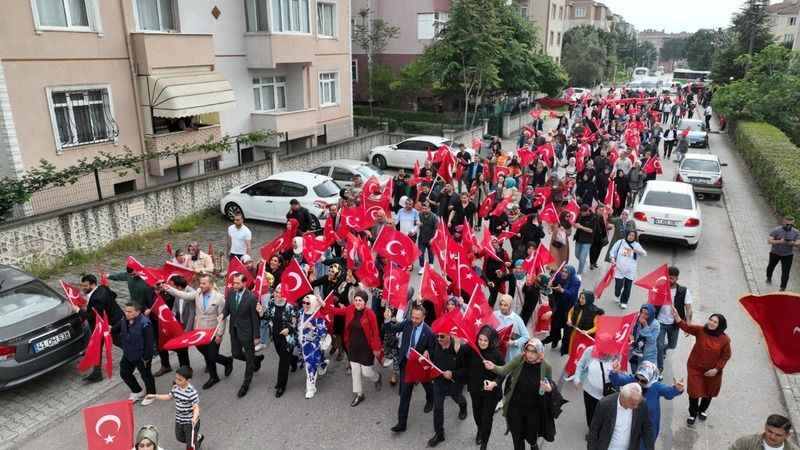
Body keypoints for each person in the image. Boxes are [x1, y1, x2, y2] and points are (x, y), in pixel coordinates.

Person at [484, 338, 562, 450]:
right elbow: (504, 370)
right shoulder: (520, 359)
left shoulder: (546, 367)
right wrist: (493, 367)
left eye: (534, 352)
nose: (529, 354)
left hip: (533, 410)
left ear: (539, 352)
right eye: (528, 350)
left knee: (531, 437)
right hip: (515, 408)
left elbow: (550, 385)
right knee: (517, 438)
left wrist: (549, 389)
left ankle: (533, 444)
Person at [672, 307, 731, 426]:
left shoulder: (725, 340)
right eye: (711, 320)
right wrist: (677, 316)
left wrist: (716, 369)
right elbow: (686, 327)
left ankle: (702, 410)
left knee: (708, 392)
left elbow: (725, 356)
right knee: (694, 392)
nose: (712, 323)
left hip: (712, 371)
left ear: (720, 325)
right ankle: (692, 413)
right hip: (695, 368)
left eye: (715, 322)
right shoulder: (700, 330)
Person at [383, 304, 435, 432]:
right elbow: (391, 329)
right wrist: (388, 319)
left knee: (426, 384)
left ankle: (430, 398)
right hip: (406, 364)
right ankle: (402, 423)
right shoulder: (407, 323)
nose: (414, 320)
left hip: (420, 365)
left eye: (417, 318)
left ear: (423, 317)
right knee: (405, 394)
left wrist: (427, 353)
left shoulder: (428, 332)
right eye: (412, 317)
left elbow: (433, 351)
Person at [609, 361, 683, 446]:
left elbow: (669, 392)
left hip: (648, 426)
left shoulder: (656, 387)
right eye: (637, 378)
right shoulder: (633, 380)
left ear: (651, 380)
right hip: (631, 424)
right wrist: (614, 372)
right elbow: (617, 380)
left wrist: (677, 389)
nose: (639, 382)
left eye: (643, 380)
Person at [332, 289, 383, 407]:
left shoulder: (370, 313)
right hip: (353, 347)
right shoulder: (350, 309)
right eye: (356, 300)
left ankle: (377, 377)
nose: (357, 302)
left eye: (360, 300)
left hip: (366, 348)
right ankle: (359, 394)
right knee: (355, 371)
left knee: (366, 372)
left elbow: (375, 332)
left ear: (365, 302)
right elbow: (337, 311)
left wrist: (376, 348)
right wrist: (323, 305)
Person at [457, 326, 505, 450]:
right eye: (480, 339)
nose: (482, 343)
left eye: (485, 340)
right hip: (475, 389)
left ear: (490, 341)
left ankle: (484, 443)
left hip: (491, 393)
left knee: (487, 418)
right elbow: (459, 354)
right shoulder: (472, 349)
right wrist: (461, 341)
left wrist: (495, 383)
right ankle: (480, 429)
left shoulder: (497, 354)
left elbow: (503, 372)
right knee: (477, 414)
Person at [220, 273, 264, 398]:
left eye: (237, 283)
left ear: (244, 283)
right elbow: (227, 309)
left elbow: (255, 319)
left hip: (247, 332)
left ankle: (246, 383)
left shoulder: (251, 298)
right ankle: (256, 360)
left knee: (248, 359)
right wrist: (222, 315)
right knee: (236, 354)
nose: (234, 285)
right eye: (233, 283)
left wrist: (256, 336)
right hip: (234, 330)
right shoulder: (231, 294)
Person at [144, 366, 204, 450]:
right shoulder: (176, 388)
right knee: (179, 437)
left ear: (188, 380)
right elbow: (168, 396)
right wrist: (154, 396)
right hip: (179, 419)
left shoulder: (192, 393)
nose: (177, 381)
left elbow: (196, 407)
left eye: (180, 380)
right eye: (176, 378)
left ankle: (194, 442)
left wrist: (194, 417)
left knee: (190, 446)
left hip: (190, 422)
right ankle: (196, 438)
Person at [78, 273, 123, 383]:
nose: (83, 288)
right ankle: (97, 373)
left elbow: (91, 316)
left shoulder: (96, 299)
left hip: (109, 325)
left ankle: (137, 355)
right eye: (82, 285)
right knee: (96, 347)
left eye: (85, 286)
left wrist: (78, 310)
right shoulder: (103, 288)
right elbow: (114, 295)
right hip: (108, 322)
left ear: (93, 285)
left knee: (119, 342)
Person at [426, 332, 468, 447]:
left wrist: (452, 373)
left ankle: (463, 407)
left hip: (454, 383)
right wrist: (427, 357)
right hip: (439, 382)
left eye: (442, 336)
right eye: (437, 336)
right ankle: (439, 434)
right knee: (438, 408)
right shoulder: (436, 343)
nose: (438, 339)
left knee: (457, 398)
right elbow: (432, 357)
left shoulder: (459, 349)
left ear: (449, 336)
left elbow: (465, 370)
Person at [257, 284, 297, 398]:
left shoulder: (290, 305)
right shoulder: (271, 302)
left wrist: (288, 329)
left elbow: (295, 321)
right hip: (276, 336)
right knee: (284, 357)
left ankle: (281, 386)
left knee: (283, 362)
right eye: (275, 291)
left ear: (285, 293)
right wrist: (261, 312)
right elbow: (268, 316)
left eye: (279, 292)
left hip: (287, 338)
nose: (276, 294)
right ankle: (294, 360)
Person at [587, 382, 655, 450]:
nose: (636, 406)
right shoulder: (605, 405)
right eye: (632, 404)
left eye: (637, 403)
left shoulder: (641, 403)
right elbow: (594, 430)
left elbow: (647, 428)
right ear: (623, 398)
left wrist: (650, 448)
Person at [570, 338, 618, 430]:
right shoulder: (590, 351)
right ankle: (591, 430)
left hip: (606, 392)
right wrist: (577, 378)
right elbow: (581, 364)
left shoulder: (615, 354)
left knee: (603, 414)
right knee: (590, 412)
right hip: (589, 390)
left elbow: (619, 373)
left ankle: (600, 429)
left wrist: (617, 371)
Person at [195, 275, 233, 390]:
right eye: (200, 283)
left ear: (211, 284)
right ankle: (226, 361)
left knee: (211, 355)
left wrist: (219, 334)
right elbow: (185, 295)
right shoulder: (198, 293)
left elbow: (222, 317)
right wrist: (168, 288)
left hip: (213, 331)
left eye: (204, 283)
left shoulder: (219, 298)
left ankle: (214, 376)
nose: (201, 286)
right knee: (205, 352)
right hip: (200, 330)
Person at [655, 266, 693, 373]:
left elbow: (689, 310)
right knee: (659, 345)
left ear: (677, 279)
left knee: (672, 345)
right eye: (667, 277)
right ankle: (660, 367)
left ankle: (664, 350)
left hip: (674, 324)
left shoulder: (683, 291)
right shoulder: (659, 287)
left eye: (672, 278)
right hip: (660, 322)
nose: (669, 280)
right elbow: (651, 302)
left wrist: (688, 326)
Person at [119, 303, 156, 406]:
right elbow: (119, 327)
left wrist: (146, 358)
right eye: (126, 311)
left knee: (146, 375)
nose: (126, 313)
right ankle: (137, 391)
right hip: (128, 353)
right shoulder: (124, 319)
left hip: (141, 356)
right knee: (124, 373)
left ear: (138, 312)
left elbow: (149, 343)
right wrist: (110, 329)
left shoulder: (145, 324)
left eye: (129, 311)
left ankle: (151, 394)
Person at [297, 294, 329, 399]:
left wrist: (312, 327)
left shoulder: (317, 316)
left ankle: (311, 388)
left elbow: (323, 333)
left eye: (308, 303)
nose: (305, 305)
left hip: (313, 345)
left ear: (313, 303)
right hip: (303, 343)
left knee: (310, 365)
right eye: (303, 302)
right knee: (316, 361)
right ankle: (323, 363)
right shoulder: (301, 312)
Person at [542, 265, 580, 351]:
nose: (563, 273)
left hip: (569, 308)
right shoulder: (559, 275)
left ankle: (564, 346)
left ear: (570, 273)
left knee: (567, 328)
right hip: (559, 304)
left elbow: (572, 294)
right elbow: (553, 280)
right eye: (563, 271)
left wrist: (562, 290)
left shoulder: (576, 281)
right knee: (555, 324)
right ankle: (555, 339)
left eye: (566, 272)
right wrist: (551, 282)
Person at [610, 230, 647, 309]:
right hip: (619, 269)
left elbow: (644, 253)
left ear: (635, 237)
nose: (630, 237)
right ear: (627, 235)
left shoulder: (636, 245)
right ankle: (617, 294)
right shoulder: (620, 242)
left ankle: (624, 301)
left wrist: (637, 251)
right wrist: (613, 259)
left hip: (630, 271)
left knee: (628, 287)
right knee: (618, 287)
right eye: (629, 235)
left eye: (633, 236)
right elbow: (612, 252)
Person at [563, 290, 603, 357]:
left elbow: (597, 327)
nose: (580, 300)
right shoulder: (577, 305)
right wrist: (569, 320)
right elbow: (570, 312)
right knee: (571, 350)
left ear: (589, 299)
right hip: (573, 333)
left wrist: (587, 332)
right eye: (580, 297)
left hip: (584, 337)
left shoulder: (595, 312)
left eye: (583, 298)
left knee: (580, 353)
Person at [766, 216, 799, 291]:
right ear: (783, 222)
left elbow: (798, 243)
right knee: (771, 267)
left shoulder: (796, 232)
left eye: (791, 225)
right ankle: (769, 277)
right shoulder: (776, 230)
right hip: (775, 253)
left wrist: (793, 243)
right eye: (787, 224)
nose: (789, 226)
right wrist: (779, 241)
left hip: (788, 255)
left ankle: (783, 287)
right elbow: (769, 241)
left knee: (786, 271)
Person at [729, 414, 798, 450]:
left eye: (778, 435)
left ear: (787, 435)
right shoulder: (746, 442)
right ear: (765, 427)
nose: (772, 437)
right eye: (770, 431)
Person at [493, 294, 529, 362]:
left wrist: (513, 342)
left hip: (511, 354)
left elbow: (526, 336)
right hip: (497, 351)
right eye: (501, 304)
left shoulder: (517, 319)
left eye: (505, 305)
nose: (502, 307)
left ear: (510, 306)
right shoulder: (495, 314)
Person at [630, 304, 659, 373]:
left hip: (648, 356)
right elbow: (630, 330)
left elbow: (651, 341)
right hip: (635, 354)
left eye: (646, 314)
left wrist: (645, 326)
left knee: (644, 377)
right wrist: (631, 338)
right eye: (642, 312)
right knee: (635, 375)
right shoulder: (636, 319)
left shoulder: (655, 325)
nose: (642, 315)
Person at [573, 204, 596, 275]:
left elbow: (591, 230)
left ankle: (579, 273)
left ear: (587, 211)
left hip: (587, 240)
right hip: (578, 238)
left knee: (582, 258)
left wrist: (581, 227)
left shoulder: (593, 217)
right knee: (577, 255)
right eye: (581, 212)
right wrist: (575, 225)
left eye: (583, 213)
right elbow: (575, 224)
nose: (581, 214)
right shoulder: (580, 215)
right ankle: (583, 262)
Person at [417, 202, 437, 274]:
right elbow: (415, 223)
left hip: (431, 239)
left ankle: (431, 265)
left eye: (426, 209)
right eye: (423, 209)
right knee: (420, 253)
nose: (424, 210)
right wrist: (417, 223)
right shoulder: (419, 215)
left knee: (431, 253)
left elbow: (437, 229)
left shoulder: (434, 217)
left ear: (429, 209)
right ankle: (422, 267)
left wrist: (433, 238)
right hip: (422, 238)